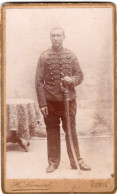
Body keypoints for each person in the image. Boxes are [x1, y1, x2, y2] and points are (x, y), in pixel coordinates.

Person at [35, 27, 91, 173]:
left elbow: (80, 75)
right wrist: (42, 103)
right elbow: (39, 82)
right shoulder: (44, 57)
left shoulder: (71, 56)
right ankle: (53, 162)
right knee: (52, 131)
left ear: (64, 37)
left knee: (71, 129)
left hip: (69, 101)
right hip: (51, 101)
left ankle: (76, 161)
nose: (56, 38)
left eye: (58, 35)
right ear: (50, 38)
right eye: (53, 36)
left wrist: (71, 79)